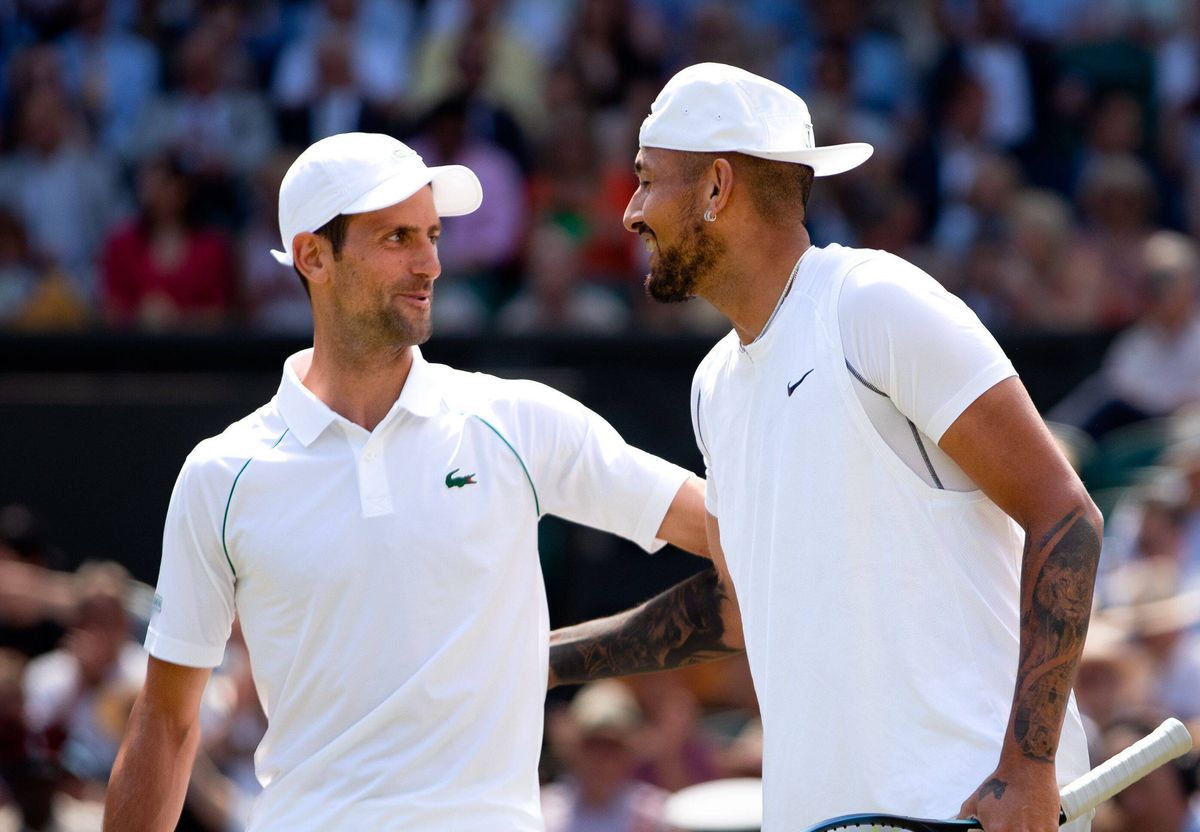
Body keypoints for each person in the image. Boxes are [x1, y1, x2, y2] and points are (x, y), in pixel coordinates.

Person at [549, 64, 1102, 832]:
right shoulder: (713, 385)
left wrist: (1030, 765)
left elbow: (1065, 516)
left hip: (971, 806)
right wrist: (543, 659)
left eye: (646, 181)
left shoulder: (874, 304)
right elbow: (736, 610)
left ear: (716, 187)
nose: (631, 212)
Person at [102, 132, 708, 831]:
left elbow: (734, 531)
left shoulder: (518, 420)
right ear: (313, 257)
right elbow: (165, 725)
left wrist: (560, 657)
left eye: (432, 235)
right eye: (397, 237)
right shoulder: (221, 474)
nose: (431, 263)